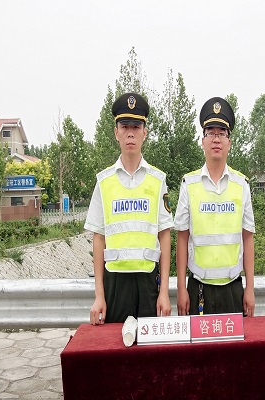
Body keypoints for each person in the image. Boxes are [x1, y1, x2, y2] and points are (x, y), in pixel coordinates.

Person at [84, 92, 173, 324]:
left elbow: (165, 236)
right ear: (116, 133)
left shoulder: (157, 180)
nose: (130, 133)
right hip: (115, 283)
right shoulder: (104, 182)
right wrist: (99, 296)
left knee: (149, 345)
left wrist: (164, 292)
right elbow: (98, 238)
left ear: (145, 132)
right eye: (124, 127)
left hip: (148, 282)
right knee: (115, 344)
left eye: (136, 126)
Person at [174, 97, 256, 317]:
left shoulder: (241, 185)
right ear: (203, 140)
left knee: (234, 342)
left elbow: (248, 238)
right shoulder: (189, 184)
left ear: (229, 142)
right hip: (198, 288)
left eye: (222, 133)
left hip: (233, 289)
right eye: (211, 133)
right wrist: (181, 289)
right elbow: (182, 238)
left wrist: (250, 288)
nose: (216, 139)